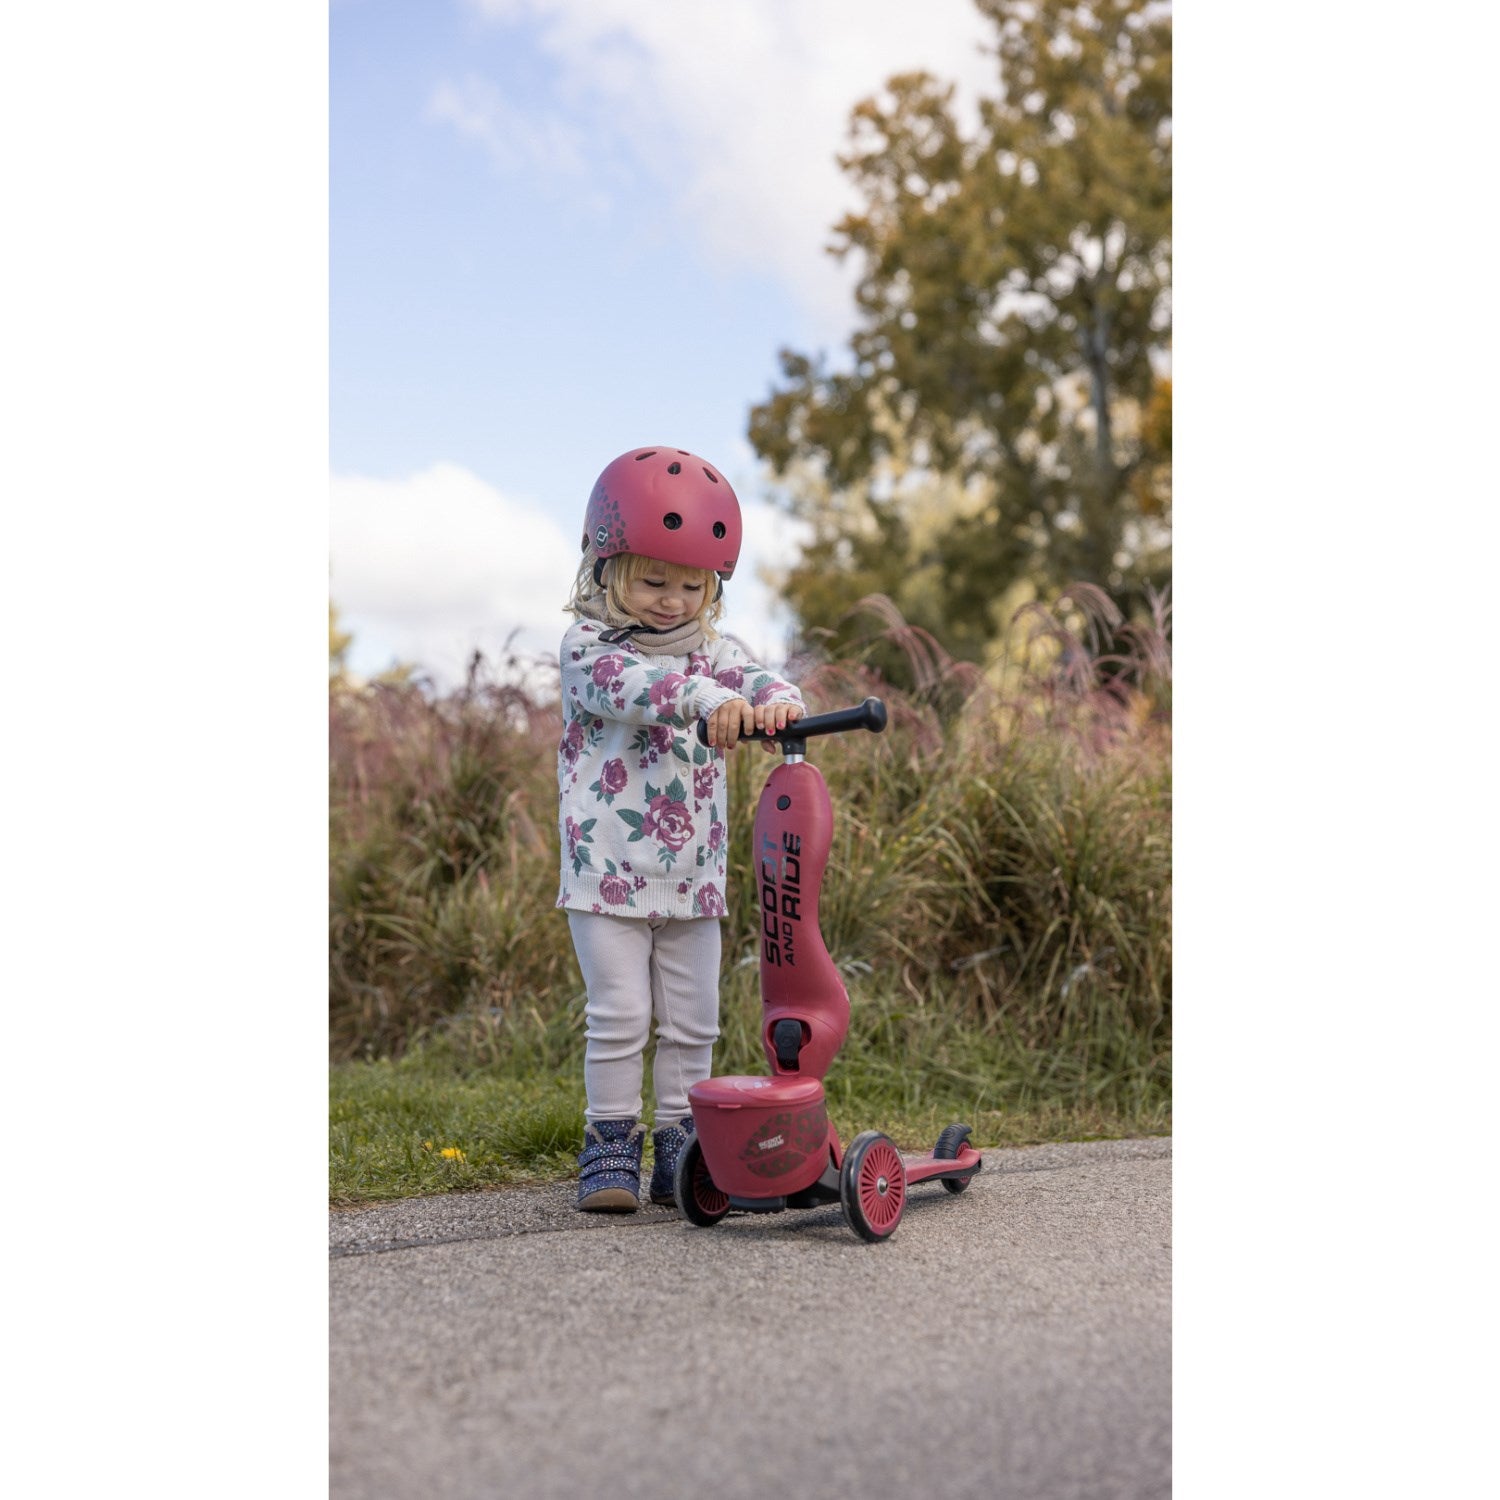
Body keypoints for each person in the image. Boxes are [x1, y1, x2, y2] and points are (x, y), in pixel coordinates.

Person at [557, 445, 805, 1211]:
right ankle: (609, 1146)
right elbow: (633, 687)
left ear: (713, 588)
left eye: (692, 586)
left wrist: (779, 703)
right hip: (606, 872)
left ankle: (681, 1151)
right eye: (653, 581)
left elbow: (759, 679)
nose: (672, 601)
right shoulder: (588, 649)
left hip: (694, 874)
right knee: (621, 1016)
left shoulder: (716, 655)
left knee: (694, 1023)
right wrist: (704, 699)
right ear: (606, 568)